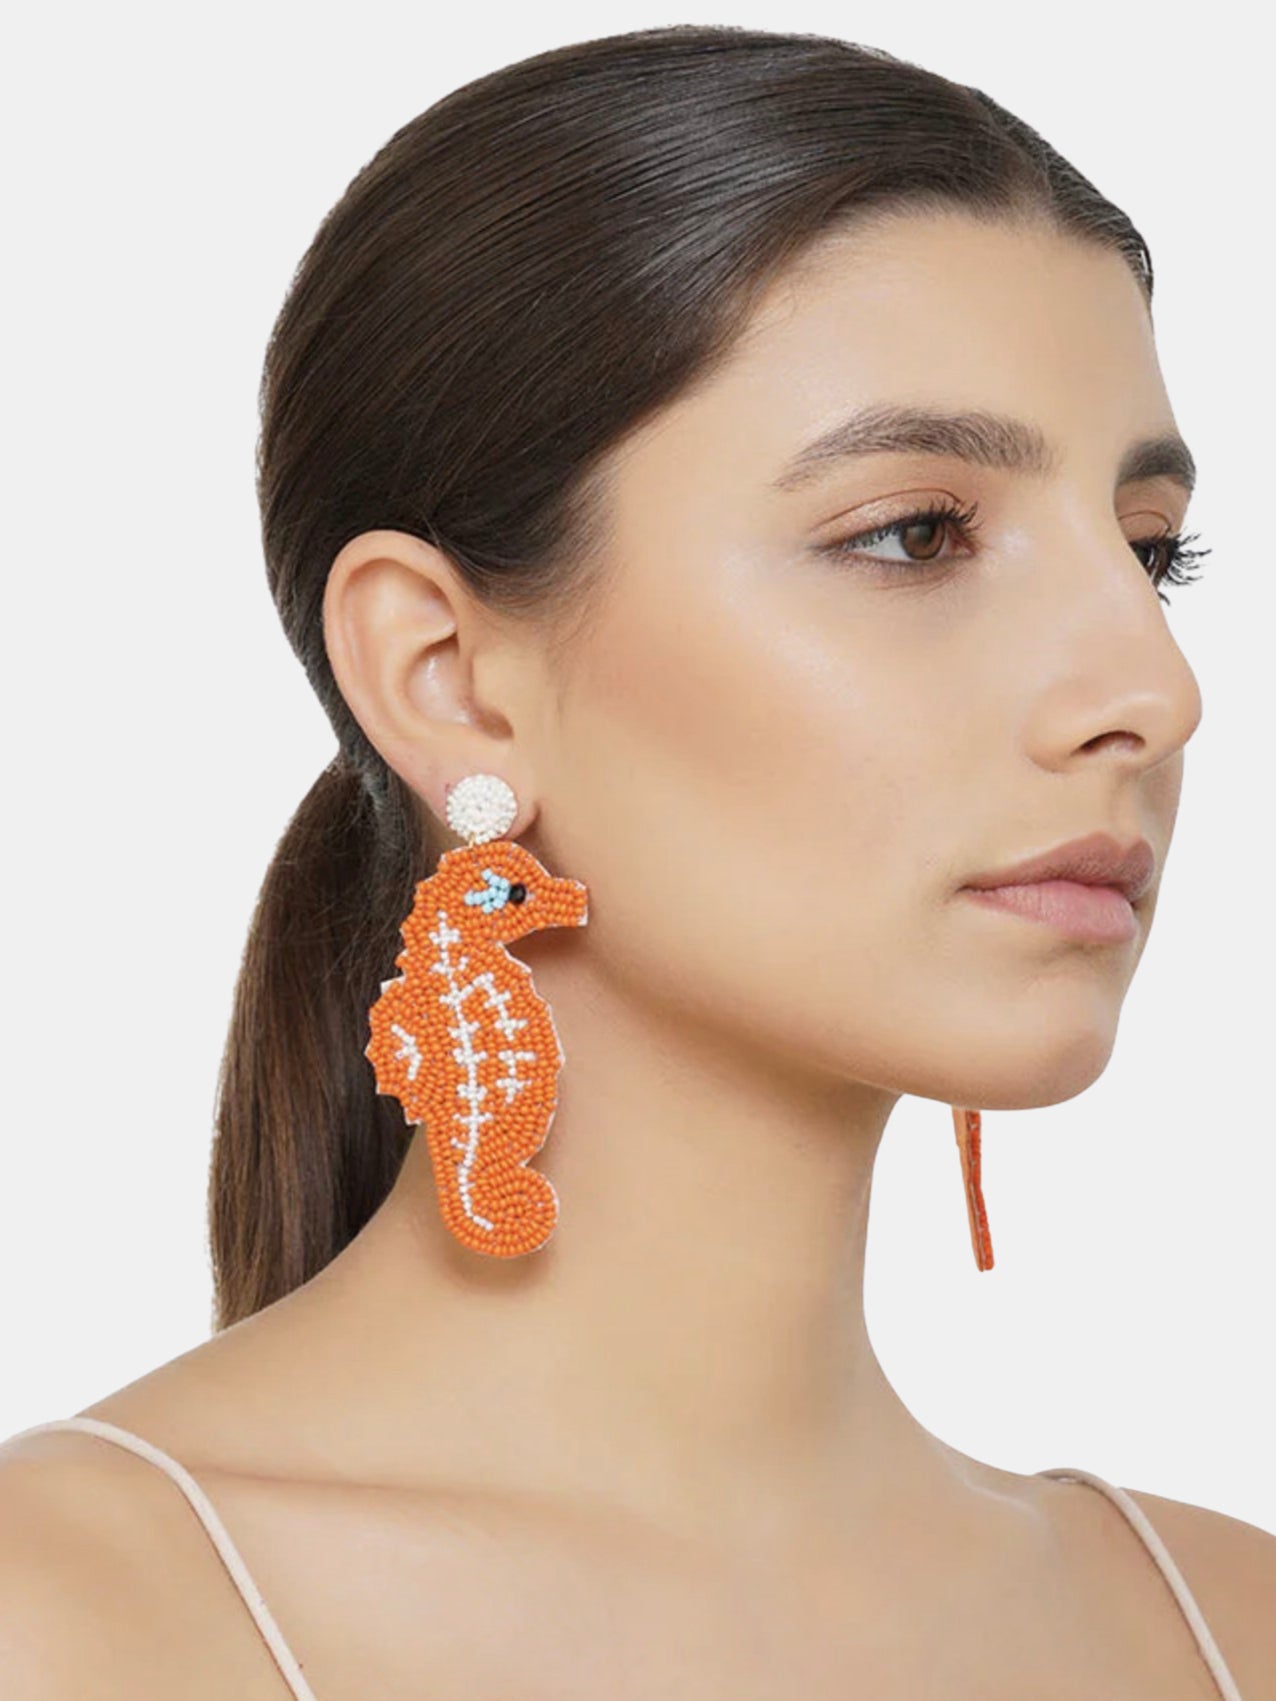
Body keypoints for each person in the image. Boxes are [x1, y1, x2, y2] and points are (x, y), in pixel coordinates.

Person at [2, 23, 1271, 1700]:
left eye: (1152, 555)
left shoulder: (1229, 1623)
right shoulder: (69, 1620)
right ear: (447, 677)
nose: (1153, 692)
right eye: (915, 534)